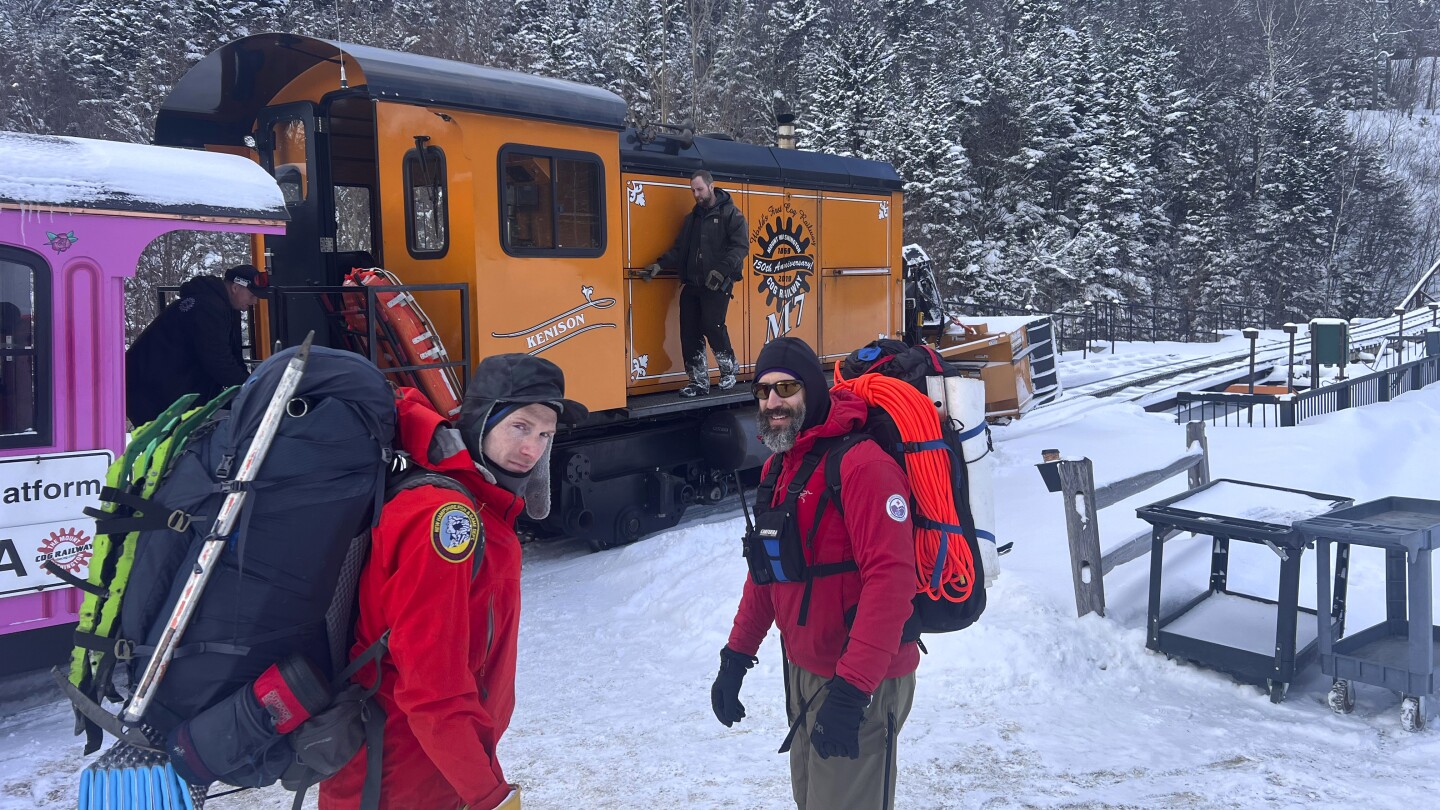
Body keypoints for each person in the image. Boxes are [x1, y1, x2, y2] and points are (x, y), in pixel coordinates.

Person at [319, 354, 586, 810]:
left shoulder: (482, 508)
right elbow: (432, 687)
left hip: (430, 769)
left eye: (546, 435)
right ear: (482, 421)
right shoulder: (447, 520)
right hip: (398, 779)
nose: (532, 450)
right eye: (520, 427)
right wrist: (488, 795)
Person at [712, 337, 919, 810]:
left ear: (813, 390)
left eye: (786, 387)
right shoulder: (780, 467)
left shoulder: (863, 466)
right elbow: (767, 572)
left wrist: (851, 692)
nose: (772, 402)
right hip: (806, 671)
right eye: (762, 392)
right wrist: (735, 659)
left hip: (863, 679)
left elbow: (891, 584)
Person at [643, 169, 748, 397]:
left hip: (717, 284)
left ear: (711, 186)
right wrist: (660, 265)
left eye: (699, 189)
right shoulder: (691, 219)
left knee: (713, 325)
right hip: (693, 283)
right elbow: (681, 249)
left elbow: (740, 248)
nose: (696, 194)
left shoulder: (732, 215)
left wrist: (721, 271)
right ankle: (698, 381)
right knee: (689, 332)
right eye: (692, 190)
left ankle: (729, 370)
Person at [124, 264, 270, 425]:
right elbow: (218, 361)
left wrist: (249, 386)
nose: (255, 301)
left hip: (169, 388)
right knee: (173, 444)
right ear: (235, 287)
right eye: (252, 295)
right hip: (149, 391)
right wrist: (252, 390)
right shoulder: (206, 308)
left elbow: (233, 357)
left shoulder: (225, 307)